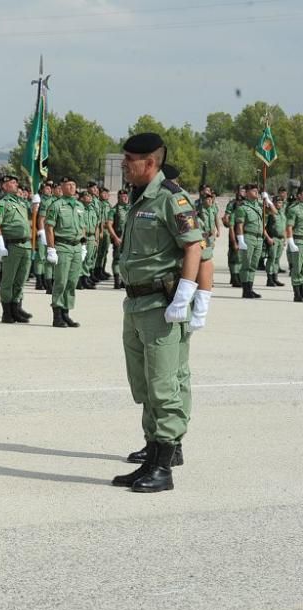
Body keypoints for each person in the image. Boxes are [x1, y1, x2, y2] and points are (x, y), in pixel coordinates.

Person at [111, 133, 207, 493]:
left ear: (149, 163)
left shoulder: (170, 198)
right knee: (145, 385)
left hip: (161, 307)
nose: (123, 165)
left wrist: (185, 294)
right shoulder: (139, 199)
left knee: (165, 387)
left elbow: (194, 246)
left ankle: (164, 468)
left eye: (129, 160)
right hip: (135, 304)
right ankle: (151, 456)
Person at [44, 177, 85, 328]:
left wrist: (83, 244)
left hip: (76, 247)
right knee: (61, 281)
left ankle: (66, 313)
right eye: (69, 185)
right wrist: (51, 248)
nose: (72, 187)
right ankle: (57, 315)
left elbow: (83, 227)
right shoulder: (57, 205)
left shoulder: (79, 205)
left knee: (72, 281)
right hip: (62, 246)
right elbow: (49, 228)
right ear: (62, 187)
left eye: (74, 185)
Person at [0, 174, 33, 324]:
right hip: (12, 245)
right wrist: (0, 245)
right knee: (8, 280)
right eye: (12, 182)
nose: (16, 184)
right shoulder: (1, 203)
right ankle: (7, 312)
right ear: (4, 186)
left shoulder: (21, 203)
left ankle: (16, 309)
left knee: (20, 280)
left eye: (16, 182)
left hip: (26, 245)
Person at [286, 189, 303, 302]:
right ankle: (297, 294)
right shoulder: (294, 209)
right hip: (298, 241)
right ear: (299, 196)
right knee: (297, 268)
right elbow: (289, 227)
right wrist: (291, 241)